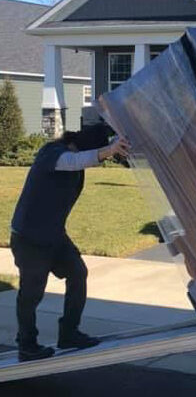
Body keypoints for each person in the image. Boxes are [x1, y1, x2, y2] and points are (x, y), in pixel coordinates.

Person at [10, 125, 130, 362]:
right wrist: (107, 150)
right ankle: (27, 345)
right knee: (31, 294)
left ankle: (69, 333)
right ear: (86, 146)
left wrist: (117, 144)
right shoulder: (51, 153)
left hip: (54, 235)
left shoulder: (76, 165)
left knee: (78, 273)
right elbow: (72, 161)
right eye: (98, 153)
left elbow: (80, 162)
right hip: (29, 237)